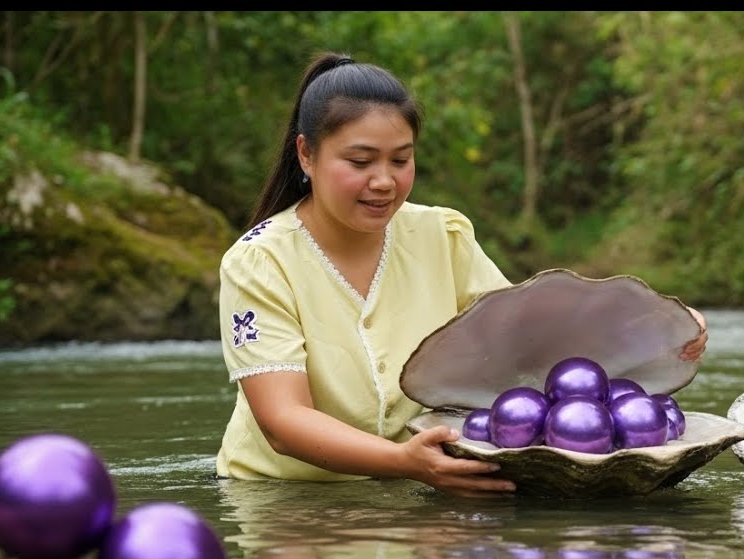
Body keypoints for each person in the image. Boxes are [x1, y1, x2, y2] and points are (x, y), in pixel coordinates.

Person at [215, 51, 708, 497]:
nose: (384, 181)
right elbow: (283, 421)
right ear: (306, 154)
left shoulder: (443, 235)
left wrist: (655, 328)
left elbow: (531, 344)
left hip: (419, 483)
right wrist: (404, 463)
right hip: (281, 502)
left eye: (401, 160)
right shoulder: (259, 261)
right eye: (360, 161)